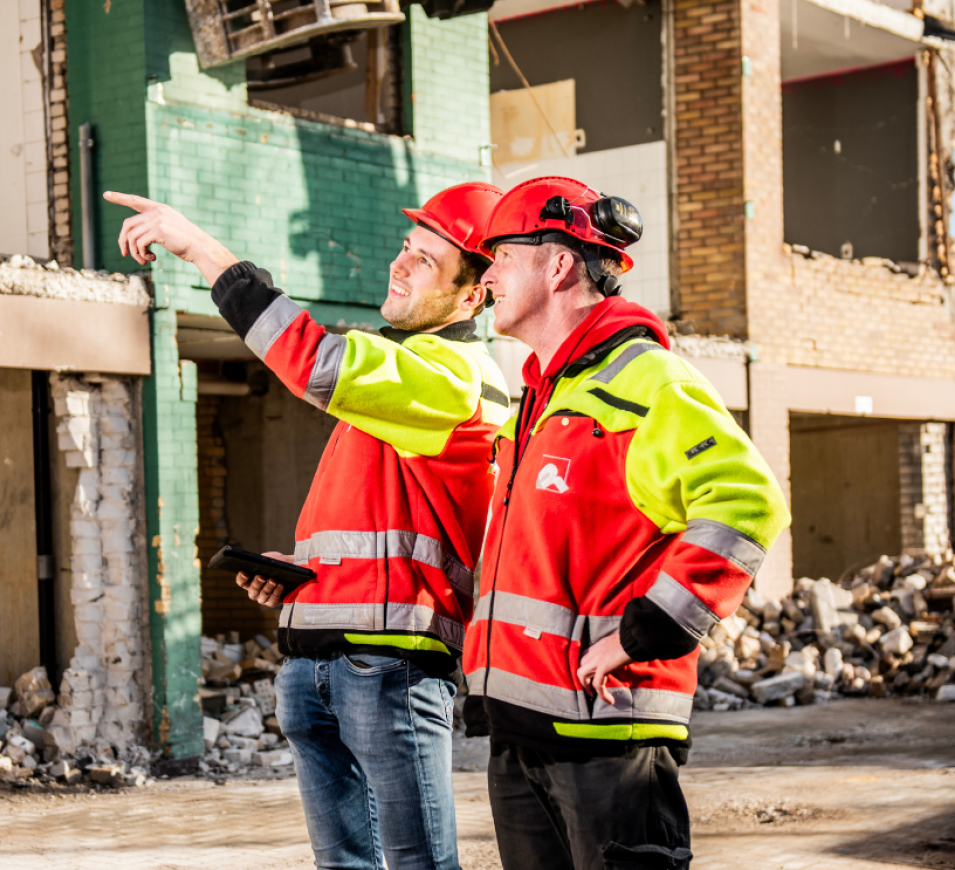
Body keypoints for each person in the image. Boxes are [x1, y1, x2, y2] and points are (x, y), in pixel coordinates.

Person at [106, 183, 510, 870]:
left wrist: (199, 248)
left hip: (389, 670)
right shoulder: (399, 385)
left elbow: (315, 363)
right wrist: (304, 577)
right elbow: (386, 534)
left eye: (426, 261)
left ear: (472, 297)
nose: (399, 265)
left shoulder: (455, 375)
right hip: (319, 661)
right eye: (404, 250)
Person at [461, 177, 791, 870]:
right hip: (521, 735)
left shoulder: (648, 380)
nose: (486, 274)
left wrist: (648, 631)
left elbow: (747, 502)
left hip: (609, 739)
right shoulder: (545, 394)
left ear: (557, 265)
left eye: (502, 256)